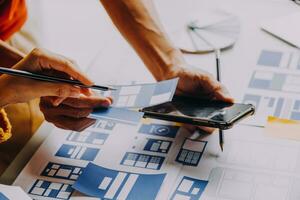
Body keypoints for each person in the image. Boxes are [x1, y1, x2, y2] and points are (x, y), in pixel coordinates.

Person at [0, 0, 233, 172]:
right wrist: (7, 91)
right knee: (16, 164)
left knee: (33, 153)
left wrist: (169, 65)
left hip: (6, 20)